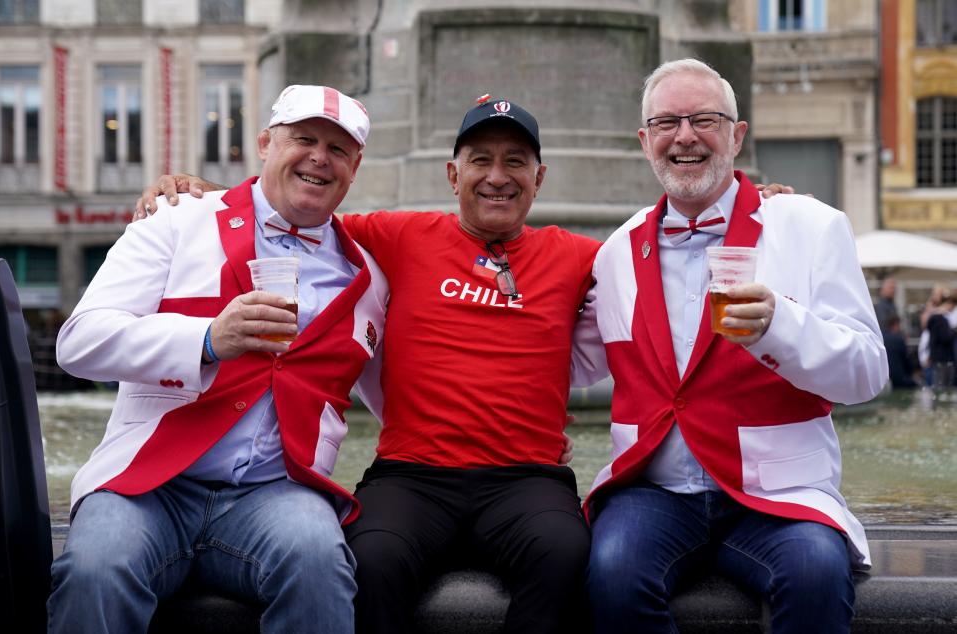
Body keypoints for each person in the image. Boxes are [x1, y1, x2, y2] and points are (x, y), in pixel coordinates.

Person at [138, 96, 796, 634]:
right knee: (367, 562)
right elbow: (296, 205)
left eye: (516, 161)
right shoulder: (394, 235)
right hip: (412, 477)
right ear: (453, 175)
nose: (497, 175)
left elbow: (674, 244)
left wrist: (736, 204)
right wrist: (198, 195)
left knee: (569, 558)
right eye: (480, 159)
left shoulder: (581, 256)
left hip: (527, 480)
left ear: (540, 179)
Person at [49, 85, 388, 633]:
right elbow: (79, 343)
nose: (319, 157)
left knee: (320, 564)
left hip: (274, 494)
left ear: (355, 168)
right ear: (265, 144)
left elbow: (398, 400)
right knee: (94, 569)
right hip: (148, 485)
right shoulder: (178, 219)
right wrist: (207, 338)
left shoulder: (367, 276)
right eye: (303, 138)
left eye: (339, 149)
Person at [582, 59, 888, 634]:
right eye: (667, 122)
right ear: (645, 141)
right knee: (612, 573)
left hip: (779, 493)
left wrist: (781, 327)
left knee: (818, 574)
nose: (686, 136)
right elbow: (576, 363)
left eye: (705, 119)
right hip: (657, 490)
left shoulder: (810, 227)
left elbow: (868, 374)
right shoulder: (617, 251)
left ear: (737, 135)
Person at [885, 315, 918, 389]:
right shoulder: (899, 340)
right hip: (899, 379)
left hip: (885, 379)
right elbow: (907, 362)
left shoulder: (881, 338)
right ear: (896, 324)